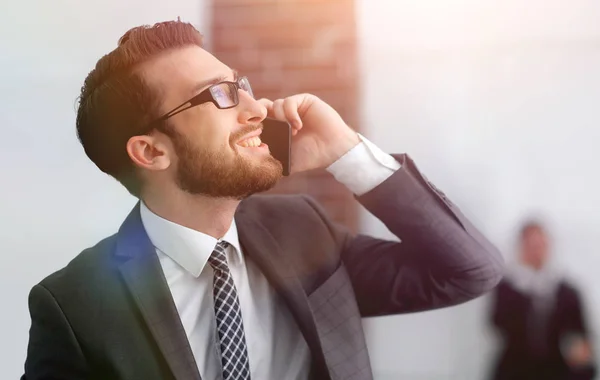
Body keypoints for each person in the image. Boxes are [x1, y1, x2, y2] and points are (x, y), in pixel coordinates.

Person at [22, 20, 504, 380]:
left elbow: (467, 271)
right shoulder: (73, 307)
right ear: (150, 151)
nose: (257, 109)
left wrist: (347, 153)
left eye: (241, 86)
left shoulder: (302, 231)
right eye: (219, 95)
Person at [489, 221, 596, 380]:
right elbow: (497, 323)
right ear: (521, 247)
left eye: (540, 244)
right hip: (515, 370)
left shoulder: (567, 292)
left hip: (558, 371)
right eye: (531, 245)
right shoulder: (507, 288)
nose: (536, 251)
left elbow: (580, 336)